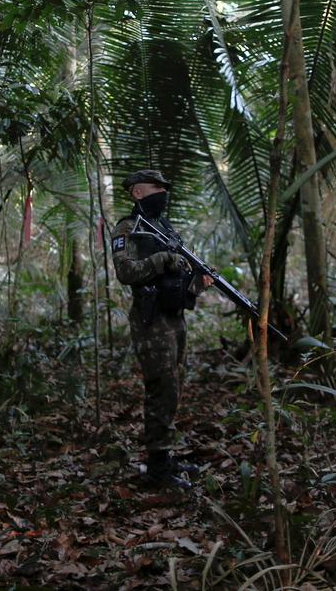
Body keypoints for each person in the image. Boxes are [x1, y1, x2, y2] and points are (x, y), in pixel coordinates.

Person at [110, 169, 212, 489]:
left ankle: (165, 456)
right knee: (160, 388)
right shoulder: (127, 229)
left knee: (172, 389)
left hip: (173, 318)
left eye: (164, 188)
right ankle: (157, 468)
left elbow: (179, 274)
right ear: (137, 193)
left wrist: (197, 282)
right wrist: (161, 260)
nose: (162, 193)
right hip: (150, 320)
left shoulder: (165, 229)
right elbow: (126, 272)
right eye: (156, 188)